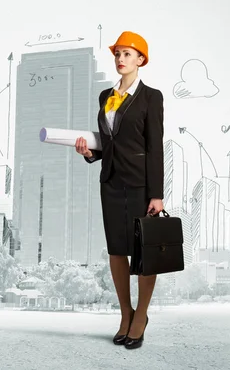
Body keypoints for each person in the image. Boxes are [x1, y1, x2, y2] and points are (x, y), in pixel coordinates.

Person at [75, 31, 164, 350]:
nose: (120, 59)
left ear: (141, 59)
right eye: (117, 54)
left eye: (127, 54)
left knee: (144, 251)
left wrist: (157, 193)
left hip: (141, 183)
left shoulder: (151, 97)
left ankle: (141, 314)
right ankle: (125, 312)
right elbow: (108, 140)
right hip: (110, 180)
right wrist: (91, 153)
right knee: (116, 249)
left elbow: (154, 147)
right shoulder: (107, 96)